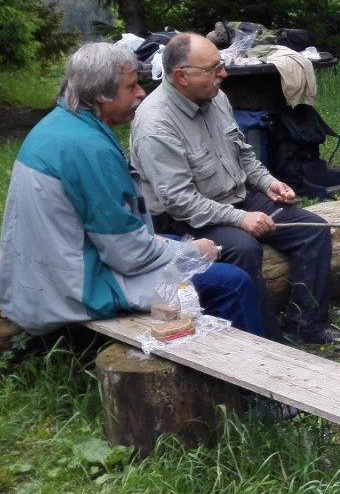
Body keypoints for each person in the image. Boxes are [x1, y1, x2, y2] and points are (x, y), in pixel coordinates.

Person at [0, 43, 263, 337]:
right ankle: (257, 371)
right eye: (132, 86)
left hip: (42, 277)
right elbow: (127, 254)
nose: (141, 93)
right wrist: (191, 252)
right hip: (78, 288)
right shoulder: (89, 149)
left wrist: (177, 247)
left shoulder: (59, 125)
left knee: (183, 245)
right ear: (101, 95)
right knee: (232, 283)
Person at [130, 33, 340, 346]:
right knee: (244, 248)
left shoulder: (215, 97)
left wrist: (268, 182)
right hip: (186, 219)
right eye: (213, 69)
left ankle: (306, 325)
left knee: (313, 230)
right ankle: (267, 343)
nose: (223, 74)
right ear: (181, 76)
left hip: (234, 199)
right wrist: (241, 220)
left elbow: (243, 153)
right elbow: (179, 202)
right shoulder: (156, 125)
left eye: (221, 65)